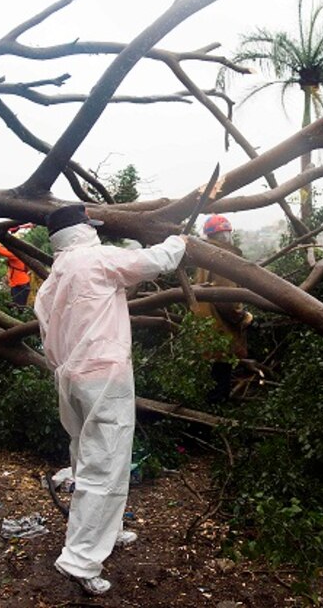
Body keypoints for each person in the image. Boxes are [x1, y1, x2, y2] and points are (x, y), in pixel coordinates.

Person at [33, 204, 186, 596]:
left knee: (86, 456)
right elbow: (157, 260)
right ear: (83, 230)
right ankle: (80, 560)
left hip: (70, 378)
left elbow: (49, 334)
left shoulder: (55, 278)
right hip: (105, 377)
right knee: (106, 464)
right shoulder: (97, 258)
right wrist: (179, 239)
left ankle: (108, 530)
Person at [193, 215, 253, 403]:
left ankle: (206, 412)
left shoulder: (205, 255)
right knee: (220, 381)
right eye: (225, 234)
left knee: (209, 379)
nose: (227, 238)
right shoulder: (222, 258)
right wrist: (243, 317)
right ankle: (216, 420)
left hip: (205, 327)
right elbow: (226, 300)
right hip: (220, 330)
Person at [0, 227, 31, 307]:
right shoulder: (22, 252)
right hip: (22, 283)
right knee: (20, 306)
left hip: (19, 284)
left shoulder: (15, 254)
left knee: (18, 307)